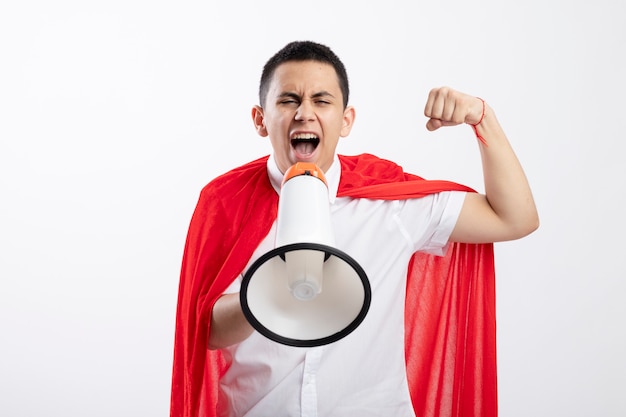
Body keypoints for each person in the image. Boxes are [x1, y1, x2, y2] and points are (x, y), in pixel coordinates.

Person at [170, 40, 539, 417]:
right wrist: (268, 294)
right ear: (260, 119)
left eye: (322, 100)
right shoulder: (224, 203)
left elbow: (514, 218)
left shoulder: (388, 200)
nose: (305, 114)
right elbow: (205, 332)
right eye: (288, 101)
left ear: (345, 120)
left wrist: (482, 118)